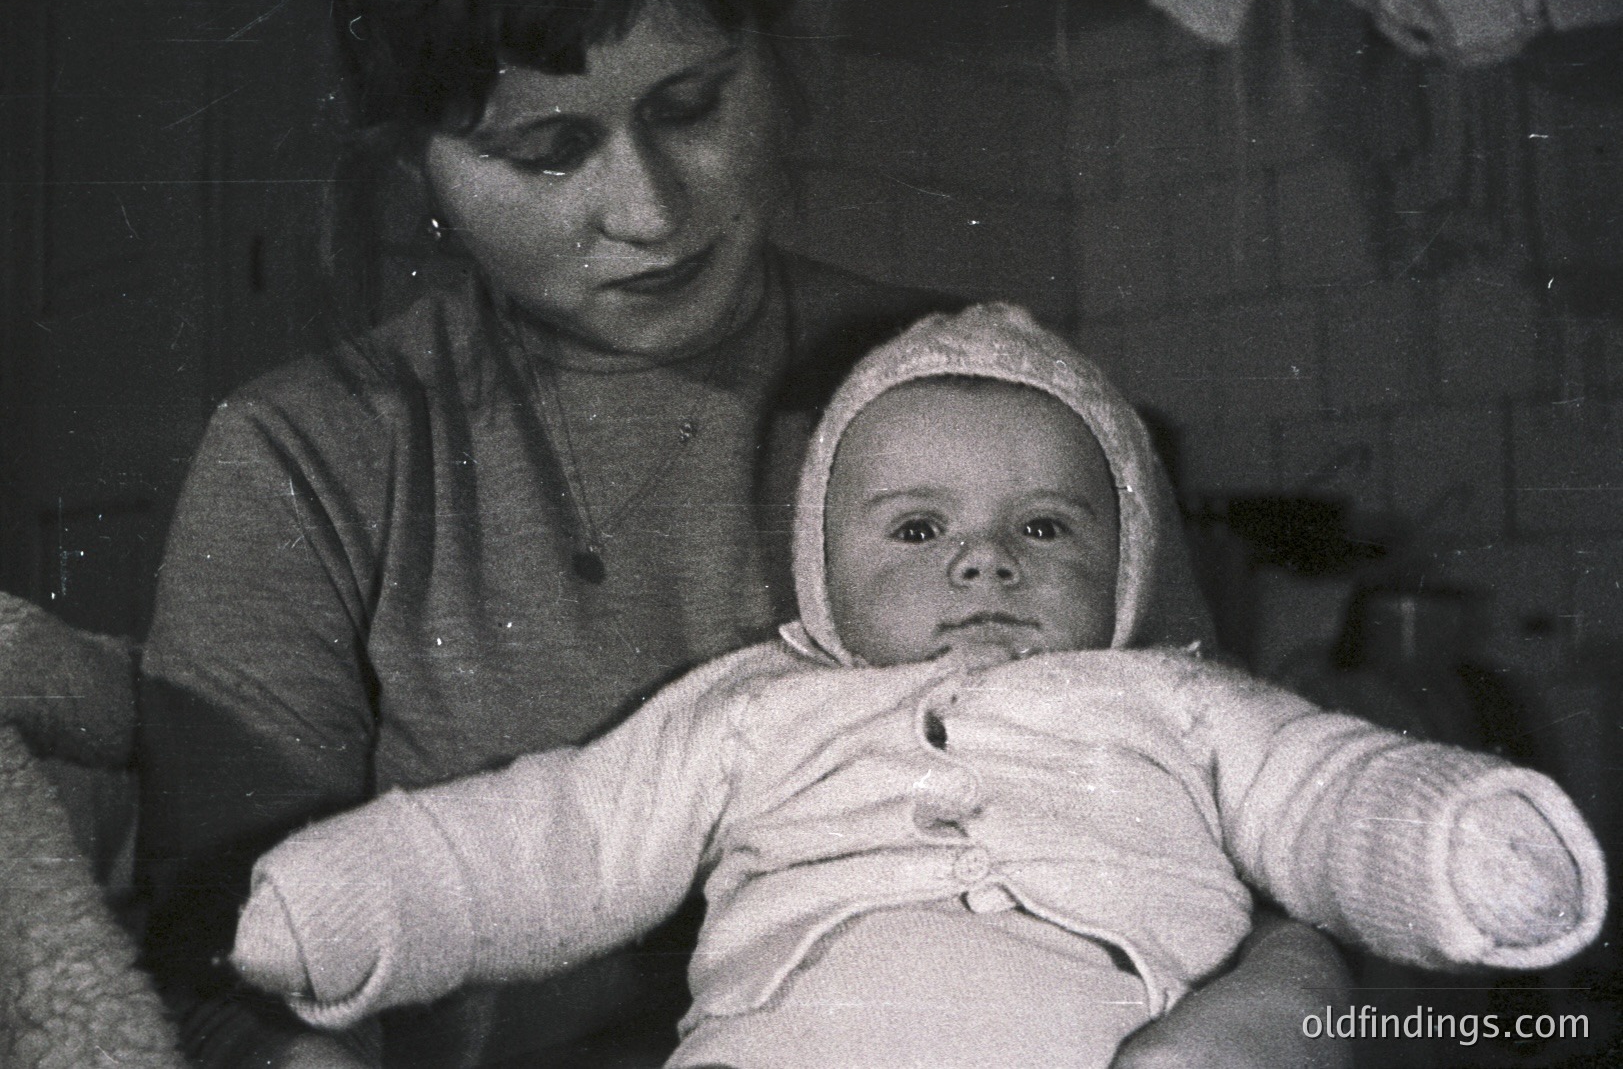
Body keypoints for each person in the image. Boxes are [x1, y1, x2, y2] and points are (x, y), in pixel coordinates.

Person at [134, 0, 1353, 1067]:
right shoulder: (310, 458)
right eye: (549, 151)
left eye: (691, 106)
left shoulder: (987, 400)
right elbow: (221, 968)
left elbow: (1247, 804)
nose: (649, 209)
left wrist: (1296, 1000)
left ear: (780, 60)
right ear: (418, 172)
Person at [229, 304, 1607, 1069]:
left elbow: (1328, 789)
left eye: (1046, 526)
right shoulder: (753, 707)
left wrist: (1453, 843)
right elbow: (560, 836)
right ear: (819, 570)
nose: (984, 560)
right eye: (915, 527)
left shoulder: (1175, 704)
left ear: (1127, 565)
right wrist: (350, 901)